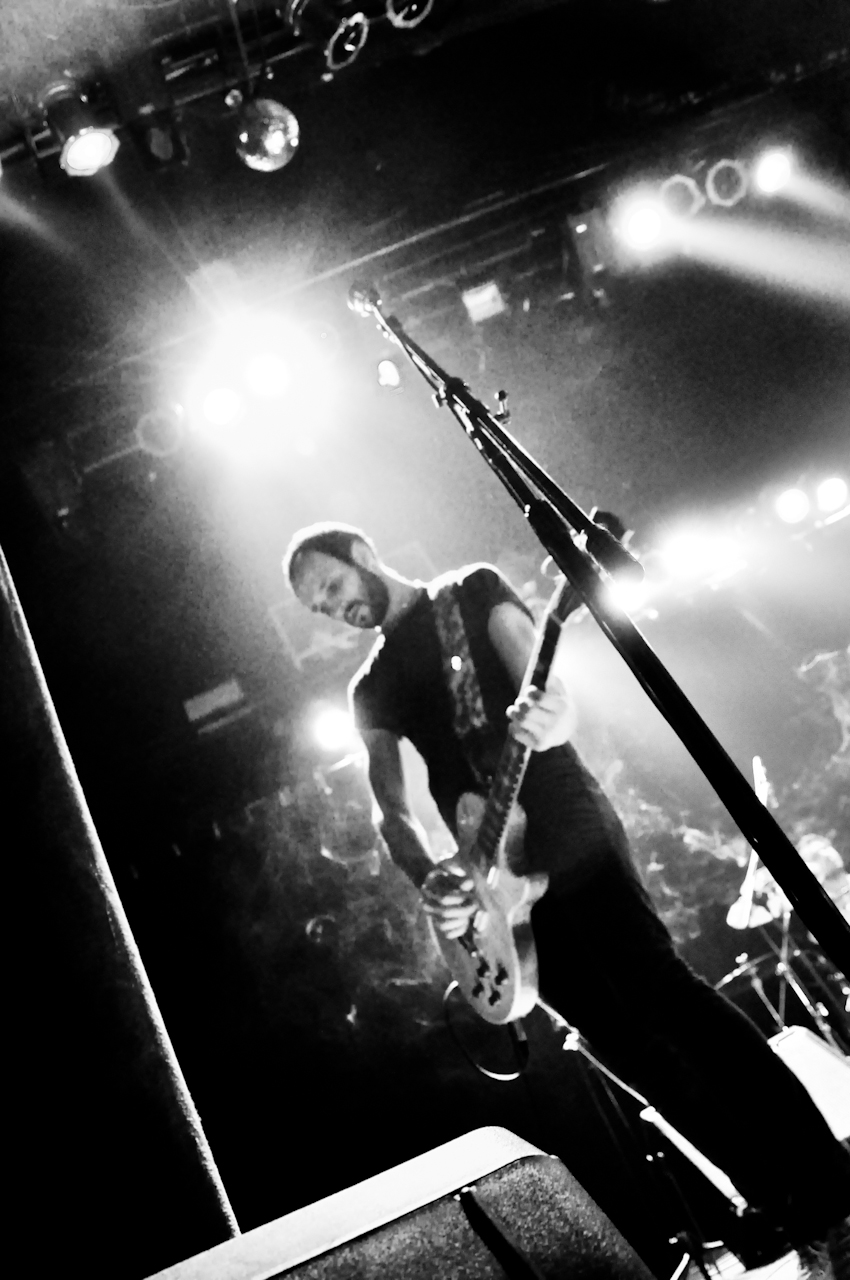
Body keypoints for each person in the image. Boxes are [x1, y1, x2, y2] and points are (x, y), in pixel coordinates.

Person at [283, 520, 850, 1274]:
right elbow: (391, 811)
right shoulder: (371, 688)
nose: (334, 609)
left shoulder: (471, 590)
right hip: (495, 878)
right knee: (624, 1047)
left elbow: (552, 693)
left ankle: (834, 1190)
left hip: (563, 817)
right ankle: (783, 1204)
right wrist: (433, 880)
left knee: (662, 995)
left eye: (331, 586)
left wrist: (550, 718)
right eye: (320, 607)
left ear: (361, 555)